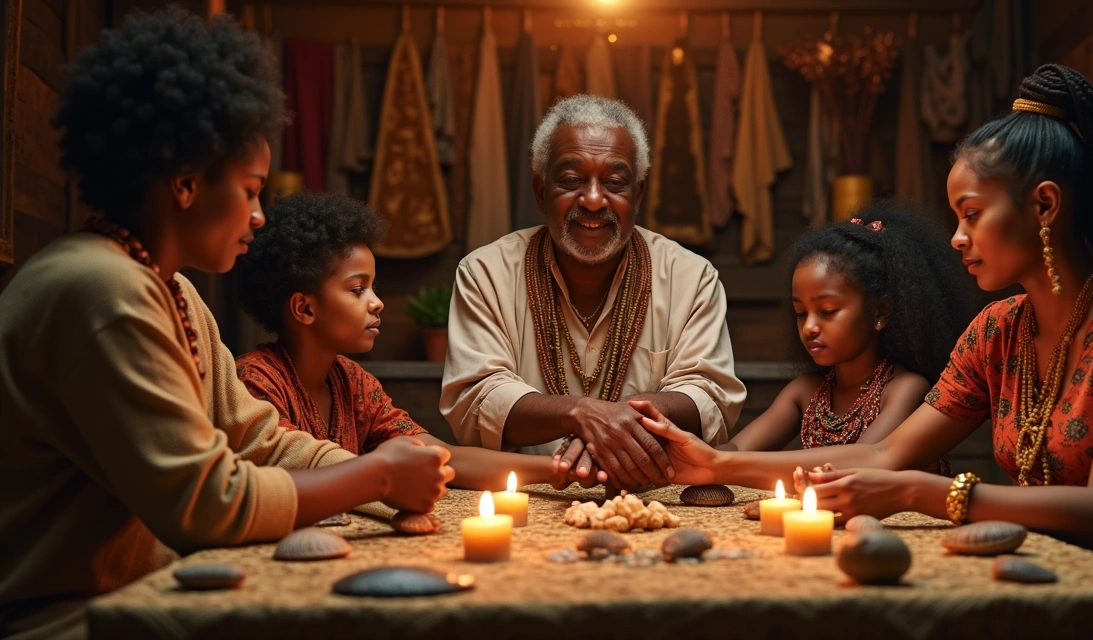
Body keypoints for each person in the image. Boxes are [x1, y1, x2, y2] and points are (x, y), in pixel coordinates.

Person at [634, 64, 1093, 630]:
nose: (957, 238)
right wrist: (715, 462)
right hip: (1046, 588)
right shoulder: (997, 330)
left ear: (1044, 205)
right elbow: (887, 454)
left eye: (972, 214)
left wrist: (917, 491)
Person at [0, 10, 451, 637]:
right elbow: (205, 503)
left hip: (143, 596)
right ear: (186, 183)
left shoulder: (172, 289)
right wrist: (375, 474)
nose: (260, 216)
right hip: (63, 619)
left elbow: (257, 438)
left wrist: (386, 474)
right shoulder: (102, 290)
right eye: (250, 189)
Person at [439, 95, 745, 492]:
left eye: (614, 184)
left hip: (652, 499)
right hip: (525, 497)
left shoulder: (690, 277)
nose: (594, 200)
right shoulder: (486, 273)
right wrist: (580, 414)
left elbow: (708, 395)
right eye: (571, 181)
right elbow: (478, 397)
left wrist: (608, 422)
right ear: (540, 190)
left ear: (638, 194)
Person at [233, 191, 605, 490]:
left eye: (373, 287)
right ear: (304, 308)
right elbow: (283, 483)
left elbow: (442, 457)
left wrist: (561, 469)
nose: (377, 302)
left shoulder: (353, 383)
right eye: (358, 289)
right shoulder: (253, 383)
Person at [716, 202, 971, 477]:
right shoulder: (805, 392)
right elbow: (736, 450)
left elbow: (861, 463)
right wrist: (698, 454)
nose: (809, 327)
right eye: (800, 313)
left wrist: (719, 464)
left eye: (827, 311)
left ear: (880, 312)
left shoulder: (904, 389)